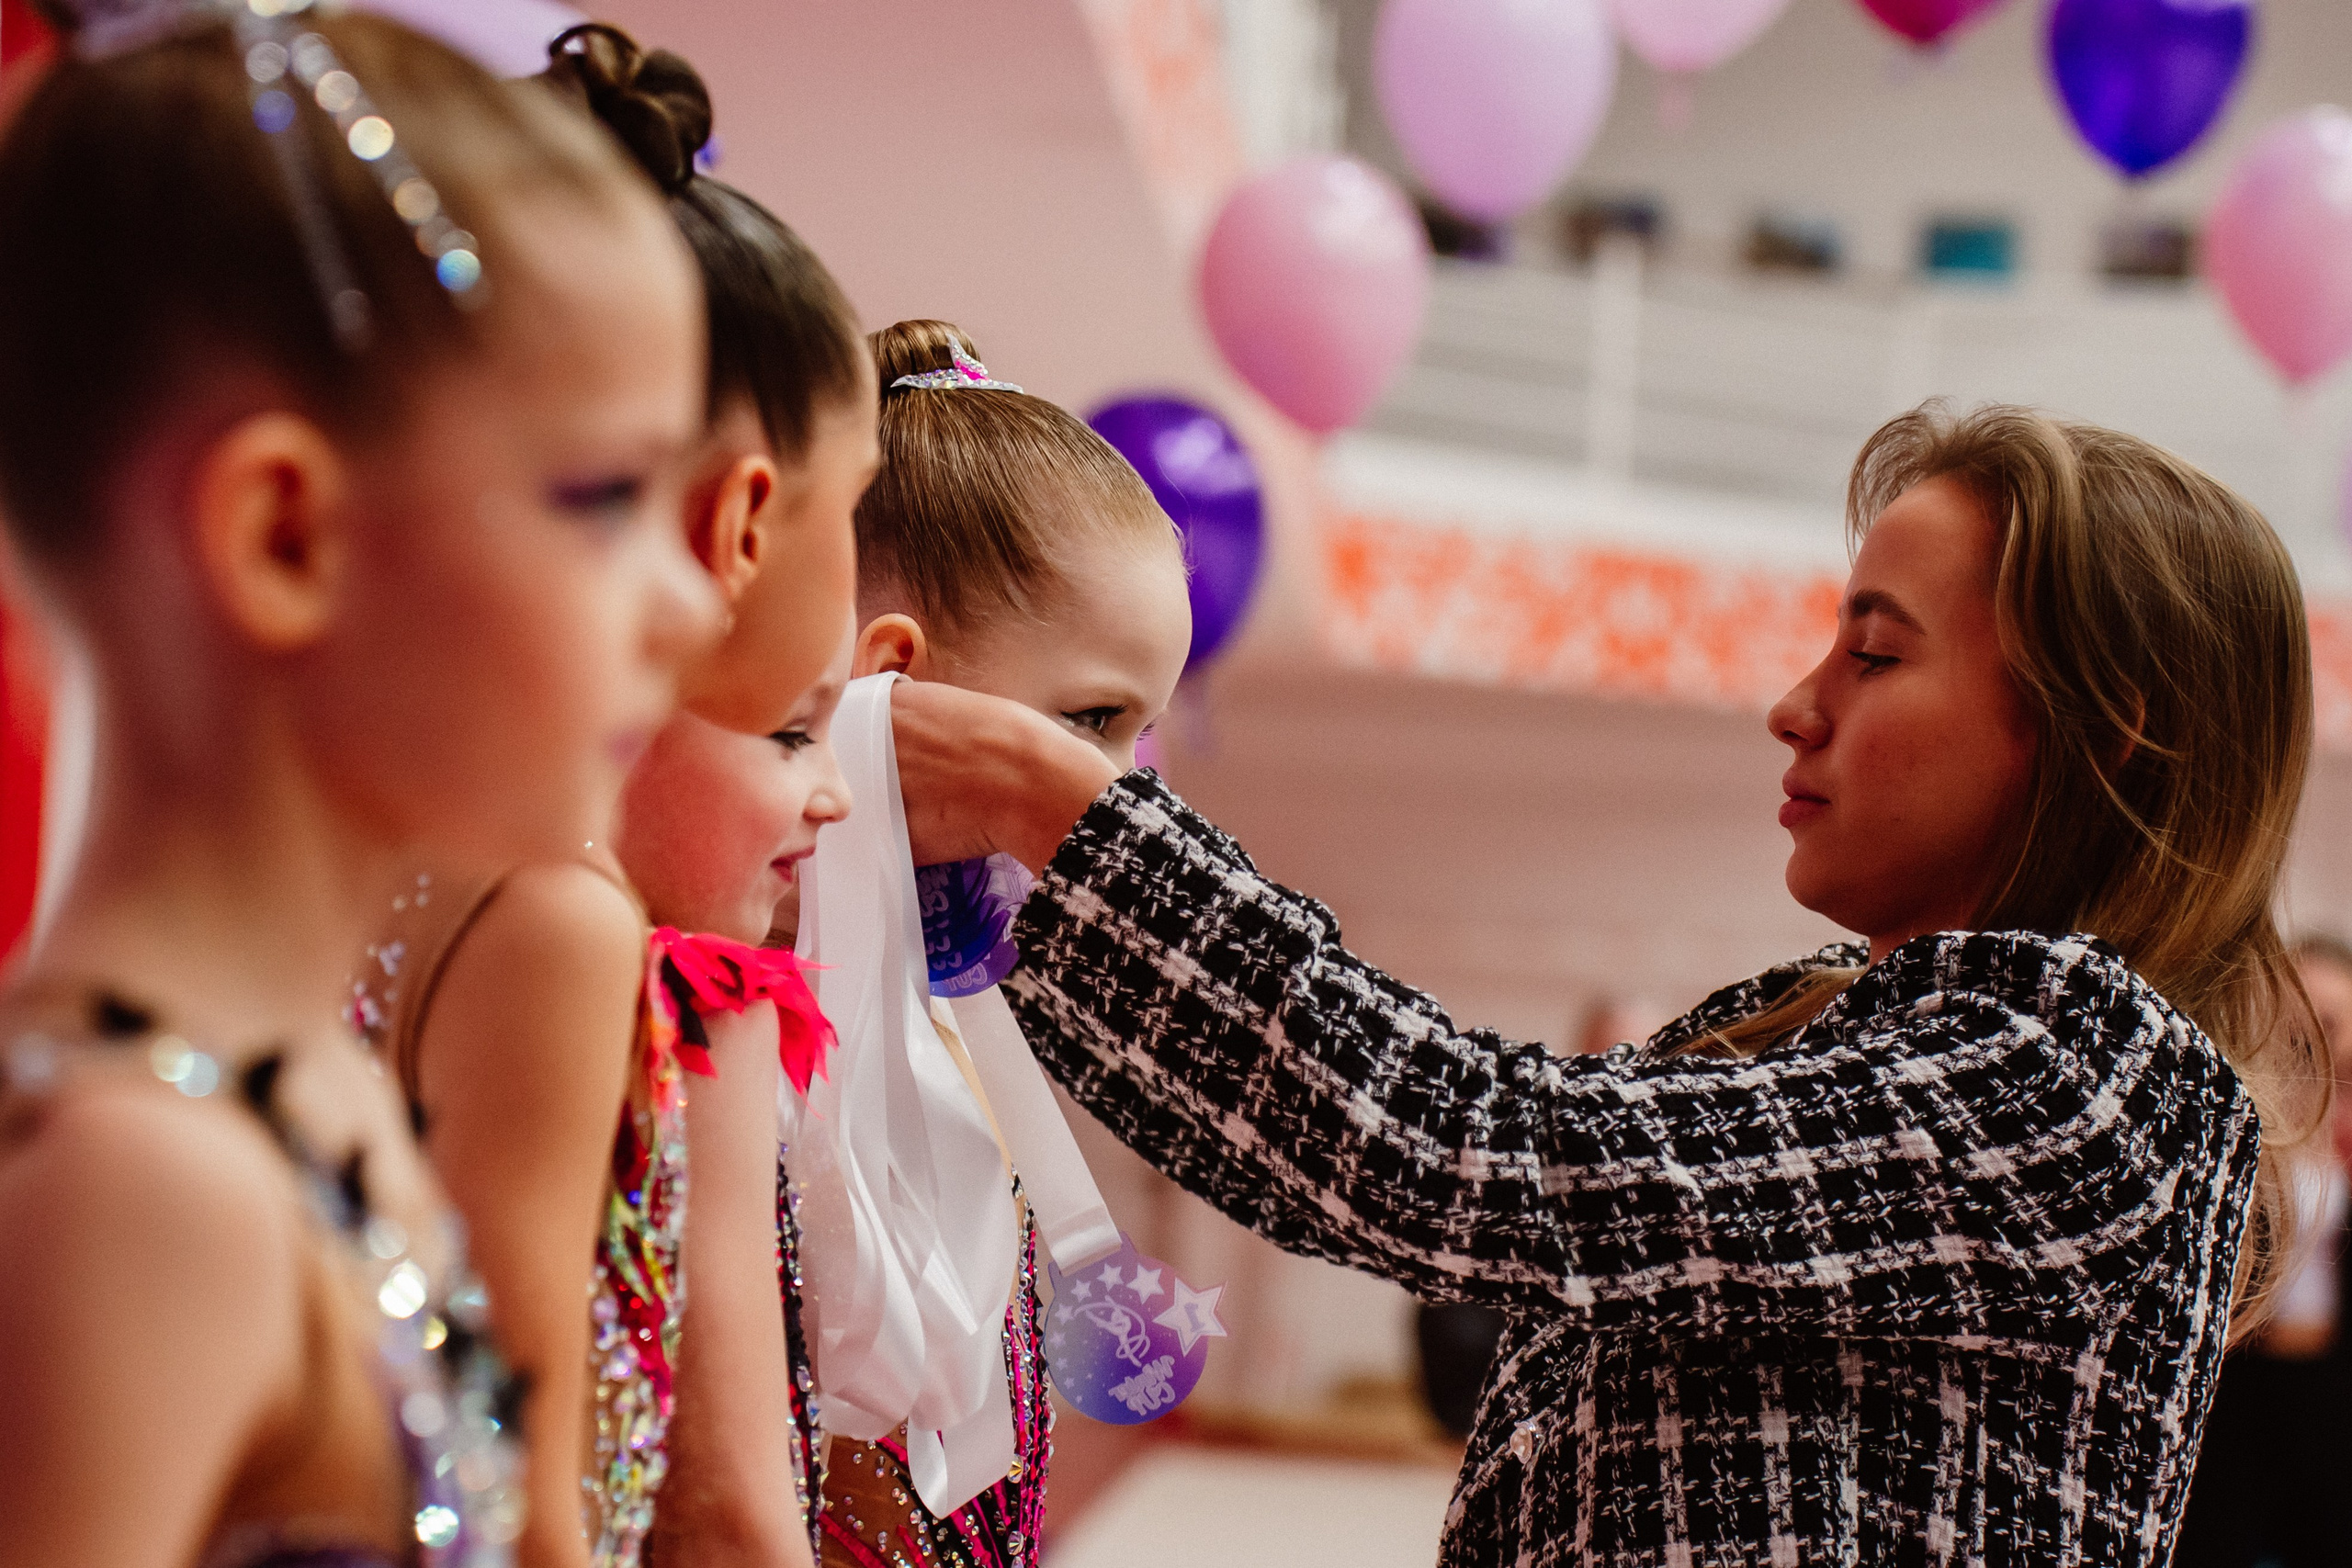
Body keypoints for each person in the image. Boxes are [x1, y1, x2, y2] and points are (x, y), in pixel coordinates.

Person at [884, 403, 2328, 1567]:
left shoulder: (2095, 1077)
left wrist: (1056, 816)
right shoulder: (1828, 1019)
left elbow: (1469, 1154)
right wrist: (1000, 894)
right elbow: (1346, 1148)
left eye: (1876, 652)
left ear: (2106, 730)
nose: (1798, 698)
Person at [0, 5, 718, 1563]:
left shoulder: (298, 1096)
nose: (692, 604)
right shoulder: (144, 1187)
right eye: (603, 499)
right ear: (285, 538)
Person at [361, 26, 873, 1568]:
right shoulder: (558, 914)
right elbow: (519, 1508)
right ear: (744, 517)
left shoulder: (403, 855)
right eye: (857, 499)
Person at [797, 319, 1189, 1568]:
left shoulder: (968, 1006)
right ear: (895, 677)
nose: (1121, 787)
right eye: (1090, 717)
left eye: (1140, 735)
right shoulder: (748, 1000)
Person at [2175, 933, 2352, 1566]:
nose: (2319, 1036)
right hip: (2237, 1390)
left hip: (2330, 1391)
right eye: (2303, 1020)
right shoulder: (2235, 1116)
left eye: (2332, 1019)